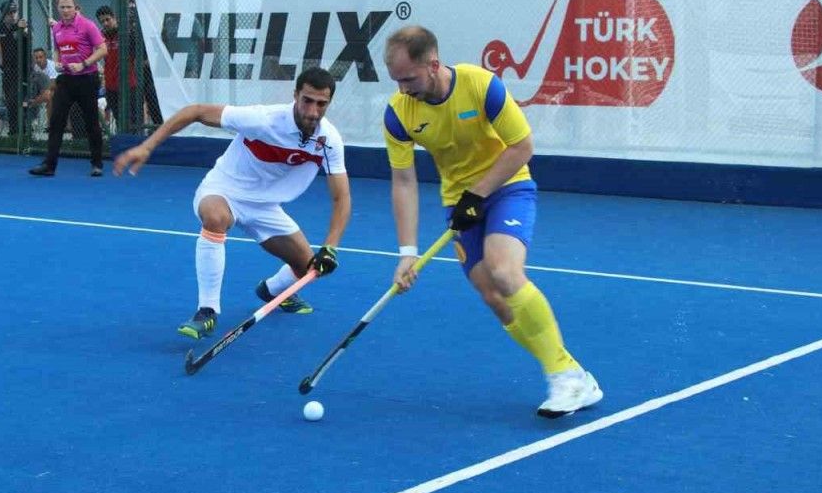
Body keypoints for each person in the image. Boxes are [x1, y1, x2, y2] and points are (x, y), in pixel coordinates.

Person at [382, 25, 602, 419]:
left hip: (507, 187)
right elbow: (403, 181)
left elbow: (522, 146)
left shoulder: (482, 86)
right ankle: (573, 373)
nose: (403, 89)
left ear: (433, 64)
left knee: (504, 270)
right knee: (495, 299)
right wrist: (407, 252)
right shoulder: (399, 113)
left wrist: (479, 193)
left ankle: (564, 377)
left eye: (409, 79)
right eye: (396, 80)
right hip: (459, 202)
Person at [113, 66, 350, 339]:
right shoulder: (263, 120)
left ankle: (272, 290)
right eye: (307, 100)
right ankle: (207, 311)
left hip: (265, 207)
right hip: (224, 191)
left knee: (309, 268)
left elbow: (341, 197)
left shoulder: (329, 140)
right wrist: (147, 146)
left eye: (321, 104)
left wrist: (330, 248)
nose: (313, 111)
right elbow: (196, 111)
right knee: (215, 217)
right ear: (295, 95)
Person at [29, 0, 107, 178]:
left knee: (91, 122)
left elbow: (102, 49)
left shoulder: (88, 25)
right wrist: (57, 62)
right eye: (62, 7)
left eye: (69, 7)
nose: (65, 10)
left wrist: (83, 64)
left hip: (87, 78)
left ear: (75, 7)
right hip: (66, 80)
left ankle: (97, 164)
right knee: (56, 121)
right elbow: (58, 49)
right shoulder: (56, 28)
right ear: (58, 8)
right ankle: (49, 165)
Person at [0, 47, 54, 138]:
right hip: (8, 106)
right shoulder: (14, 75)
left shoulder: (40, 76)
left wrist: (33, 102)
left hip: (27, 108)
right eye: (35, 58)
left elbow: (47, 95)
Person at [96, 5, 141, 132]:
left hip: (129, 84)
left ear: (114, 18)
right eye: (102, 21)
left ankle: (135, 141)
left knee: (133, 120)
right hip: (111, 85)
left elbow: (138, 55)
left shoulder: (127, 34)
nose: (105, 23)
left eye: (108, 19)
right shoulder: (101, 37)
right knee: (118, 118)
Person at [0, 0, 30, 136]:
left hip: (23, 70)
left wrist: (23, 30)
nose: (12, 15)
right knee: (10, 101)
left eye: (14, 12)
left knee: (18, 100)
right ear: (3, 14)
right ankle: (14, 131)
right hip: (8, 70)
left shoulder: (22, 24)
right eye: (9, 13)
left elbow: (29, 36)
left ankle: (23, 131)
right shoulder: (0, 28)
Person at [127, 0, 163, 128]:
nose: (132, 12)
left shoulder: (154, 27)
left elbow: (161, 49)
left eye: (134, 8)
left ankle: (159, 127)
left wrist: (148, 61)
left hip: (152, 74)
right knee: (136, 104)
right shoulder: (132, 31)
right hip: (136, 74)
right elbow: (130, 53)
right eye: (131, 9)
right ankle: (139, 130)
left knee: (153, 101)